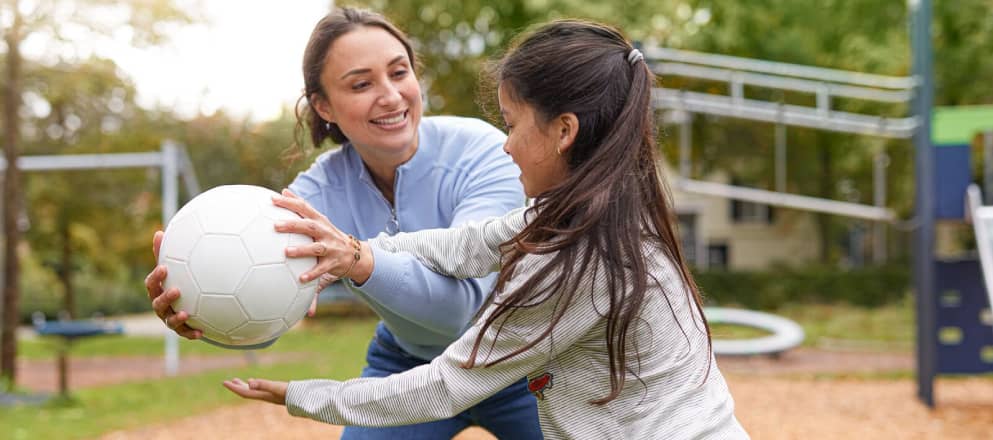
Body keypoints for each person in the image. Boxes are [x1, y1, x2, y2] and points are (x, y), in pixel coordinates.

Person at [223, 19, 750, 439]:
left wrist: (302, 395)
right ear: (324, 105)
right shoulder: (589, 211)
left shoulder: (573, 264)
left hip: (509, 372)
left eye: (513, 124)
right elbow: (473, 243)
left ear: (564, 131)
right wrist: (355, 249)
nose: (506, 145)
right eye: (361, 84)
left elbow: (449, 380)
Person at [143, 7, 544, 440]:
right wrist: (203, 317)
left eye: (399, 72)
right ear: (324, 105)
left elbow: (458, 312)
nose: (390, 95)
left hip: (518, 355)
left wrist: (357, 260)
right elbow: (265, 315)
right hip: (407, 364)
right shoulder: (313, 196)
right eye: (361, 84)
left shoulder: (486, 153)